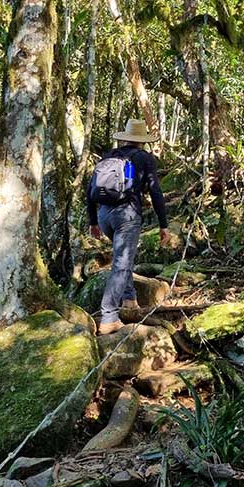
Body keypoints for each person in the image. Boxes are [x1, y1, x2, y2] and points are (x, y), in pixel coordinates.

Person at [86, 119, 171, 335]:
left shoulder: (109, 156)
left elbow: (91, 188)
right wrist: (164, 225)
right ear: (142, 141)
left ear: (125, 137)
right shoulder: (145, 158)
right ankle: (109, 317)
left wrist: (93, 221)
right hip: (127, 215)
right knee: (121, 265)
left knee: (123, 260)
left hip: (104, 214)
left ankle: (129, 300)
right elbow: (155, 192)